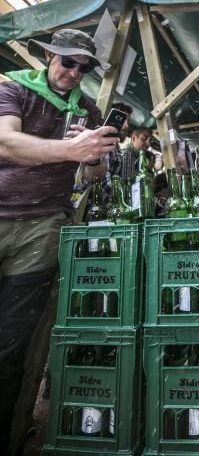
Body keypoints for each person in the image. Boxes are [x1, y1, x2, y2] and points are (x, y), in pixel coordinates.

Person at [0, 28, 121, 452]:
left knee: (14, 343)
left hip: (42, 227)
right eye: (68, 61)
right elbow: (6, 143)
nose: (75, 71)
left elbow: (89, 175)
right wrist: (69, 150)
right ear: (49, 55)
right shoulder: (13, 87)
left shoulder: (87, 109)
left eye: (84, 66)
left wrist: (95, 159)